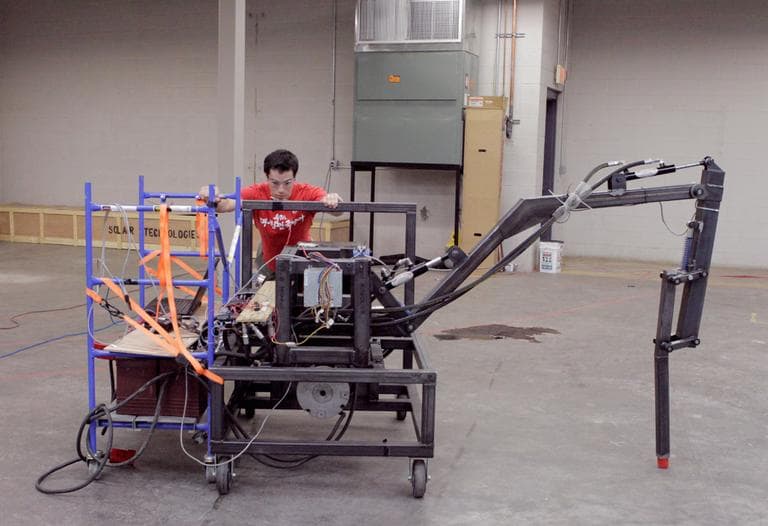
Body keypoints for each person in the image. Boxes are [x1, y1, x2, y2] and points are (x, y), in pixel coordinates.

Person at [200, 149, 342, 278]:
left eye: (287, 183)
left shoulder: (307, 192)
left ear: (294, 178)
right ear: (267, 177)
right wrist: (212, 198)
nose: (281, 190)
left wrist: (333, 200)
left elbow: (337, 212)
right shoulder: (256, 192)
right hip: (268, 262)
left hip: (301, 259)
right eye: (274, 183)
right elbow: (227, 205)